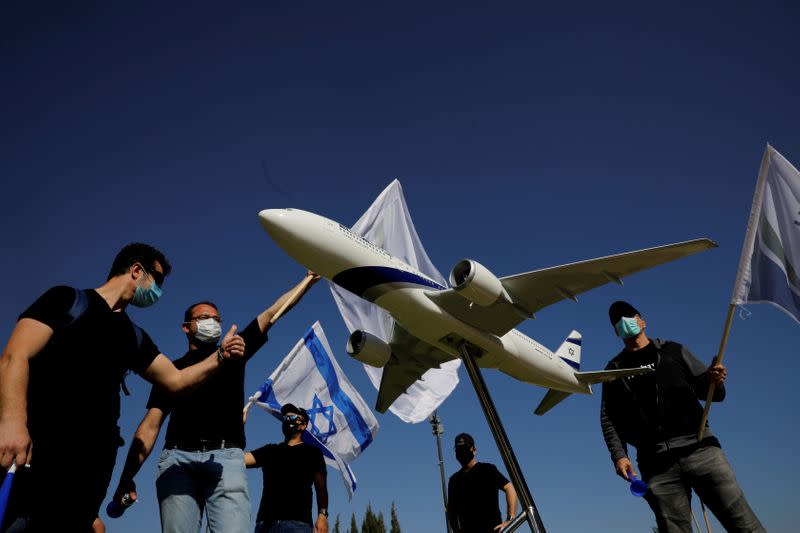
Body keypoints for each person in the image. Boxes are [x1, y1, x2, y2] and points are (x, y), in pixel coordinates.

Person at [0, 242, 246, 533]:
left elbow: (176, 380)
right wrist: (12, 423)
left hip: (90, 470)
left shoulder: (134, 337)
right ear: (137, 270)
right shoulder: (67, 300)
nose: (159, 291)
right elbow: (15, 356)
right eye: (157, 280)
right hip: (37, 454)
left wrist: (220, 356)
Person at [112, 273, 318, 533]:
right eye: (204, 318)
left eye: (216, 319)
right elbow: (150, 426)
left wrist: (307, 281)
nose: (213, 323)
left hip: (226, 459)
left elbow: (271, 315)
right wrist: (127, 476)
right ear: (186, 327)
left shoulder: (235, 351)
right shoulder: (171, 371)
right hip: (177, 461)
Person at [600, 300, 764, 533]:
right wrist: (619, 456)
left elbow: (711, 393)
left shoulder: (674, 351)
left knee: (745, 524)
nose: (622, 322)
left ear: (642, 321)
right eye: (617, 321)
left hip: (701, 450)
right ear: (616, 331)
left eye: (627, 316)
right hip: (656, 465)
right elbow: (609, 419)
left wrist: (715, 381)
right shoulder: (613, 370)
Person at [244, 403, 328, 533]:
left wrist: (322, 515)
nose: (288, 420)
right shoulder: (270, 450)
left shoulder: (313, 453)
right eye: (286, 418)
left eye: (293, 417)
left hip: (298, 524)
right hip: (265, 524)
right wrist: (239, 427)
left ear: (303, 425)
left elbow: (321, 487)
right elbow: (239, 459)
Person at [447, 433, 517, 533]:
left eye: (465, 450)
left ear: (474, 450)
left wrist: (510, 520)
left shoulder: (488, 469)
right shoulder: (454, 480)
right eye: (459, 451)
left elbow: (509, 488)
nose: (462, 453)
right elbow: (451, 511)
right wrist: (456, 530)